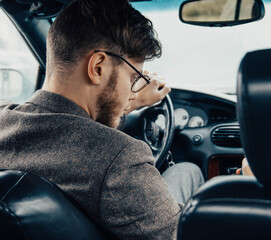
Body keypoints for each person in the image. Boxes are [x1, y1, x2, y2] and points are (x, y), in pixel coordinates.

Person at [0, 0, 204, 239]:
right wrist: (248, 190)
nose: (132, 93)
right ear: (97, 68)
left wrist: (122, 107)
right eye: (133, 79)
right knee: (188, 171)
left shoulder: (5, 120)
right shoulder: (119, 158)